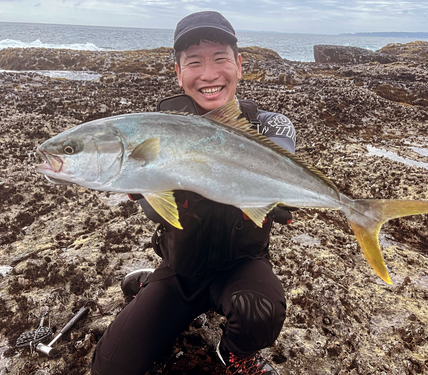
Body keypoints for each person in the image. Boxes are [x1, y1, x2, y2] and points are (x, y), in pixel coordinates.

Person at [91, 11, 296, 375]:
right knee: (111, 368)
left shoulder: (270, 125)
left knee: (259, 310)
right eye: (194, 62)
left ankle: (235, 353)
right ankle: (149, 282)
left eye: (220, 59)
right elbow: (156, 214)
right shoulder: (155, 131)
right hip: (181, 270)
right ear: (178, 73)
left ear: (239, 65)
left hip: (241, 266)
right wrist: (146, 187)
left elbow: (280, 175)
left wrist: (279, 197)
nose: (209, 74)